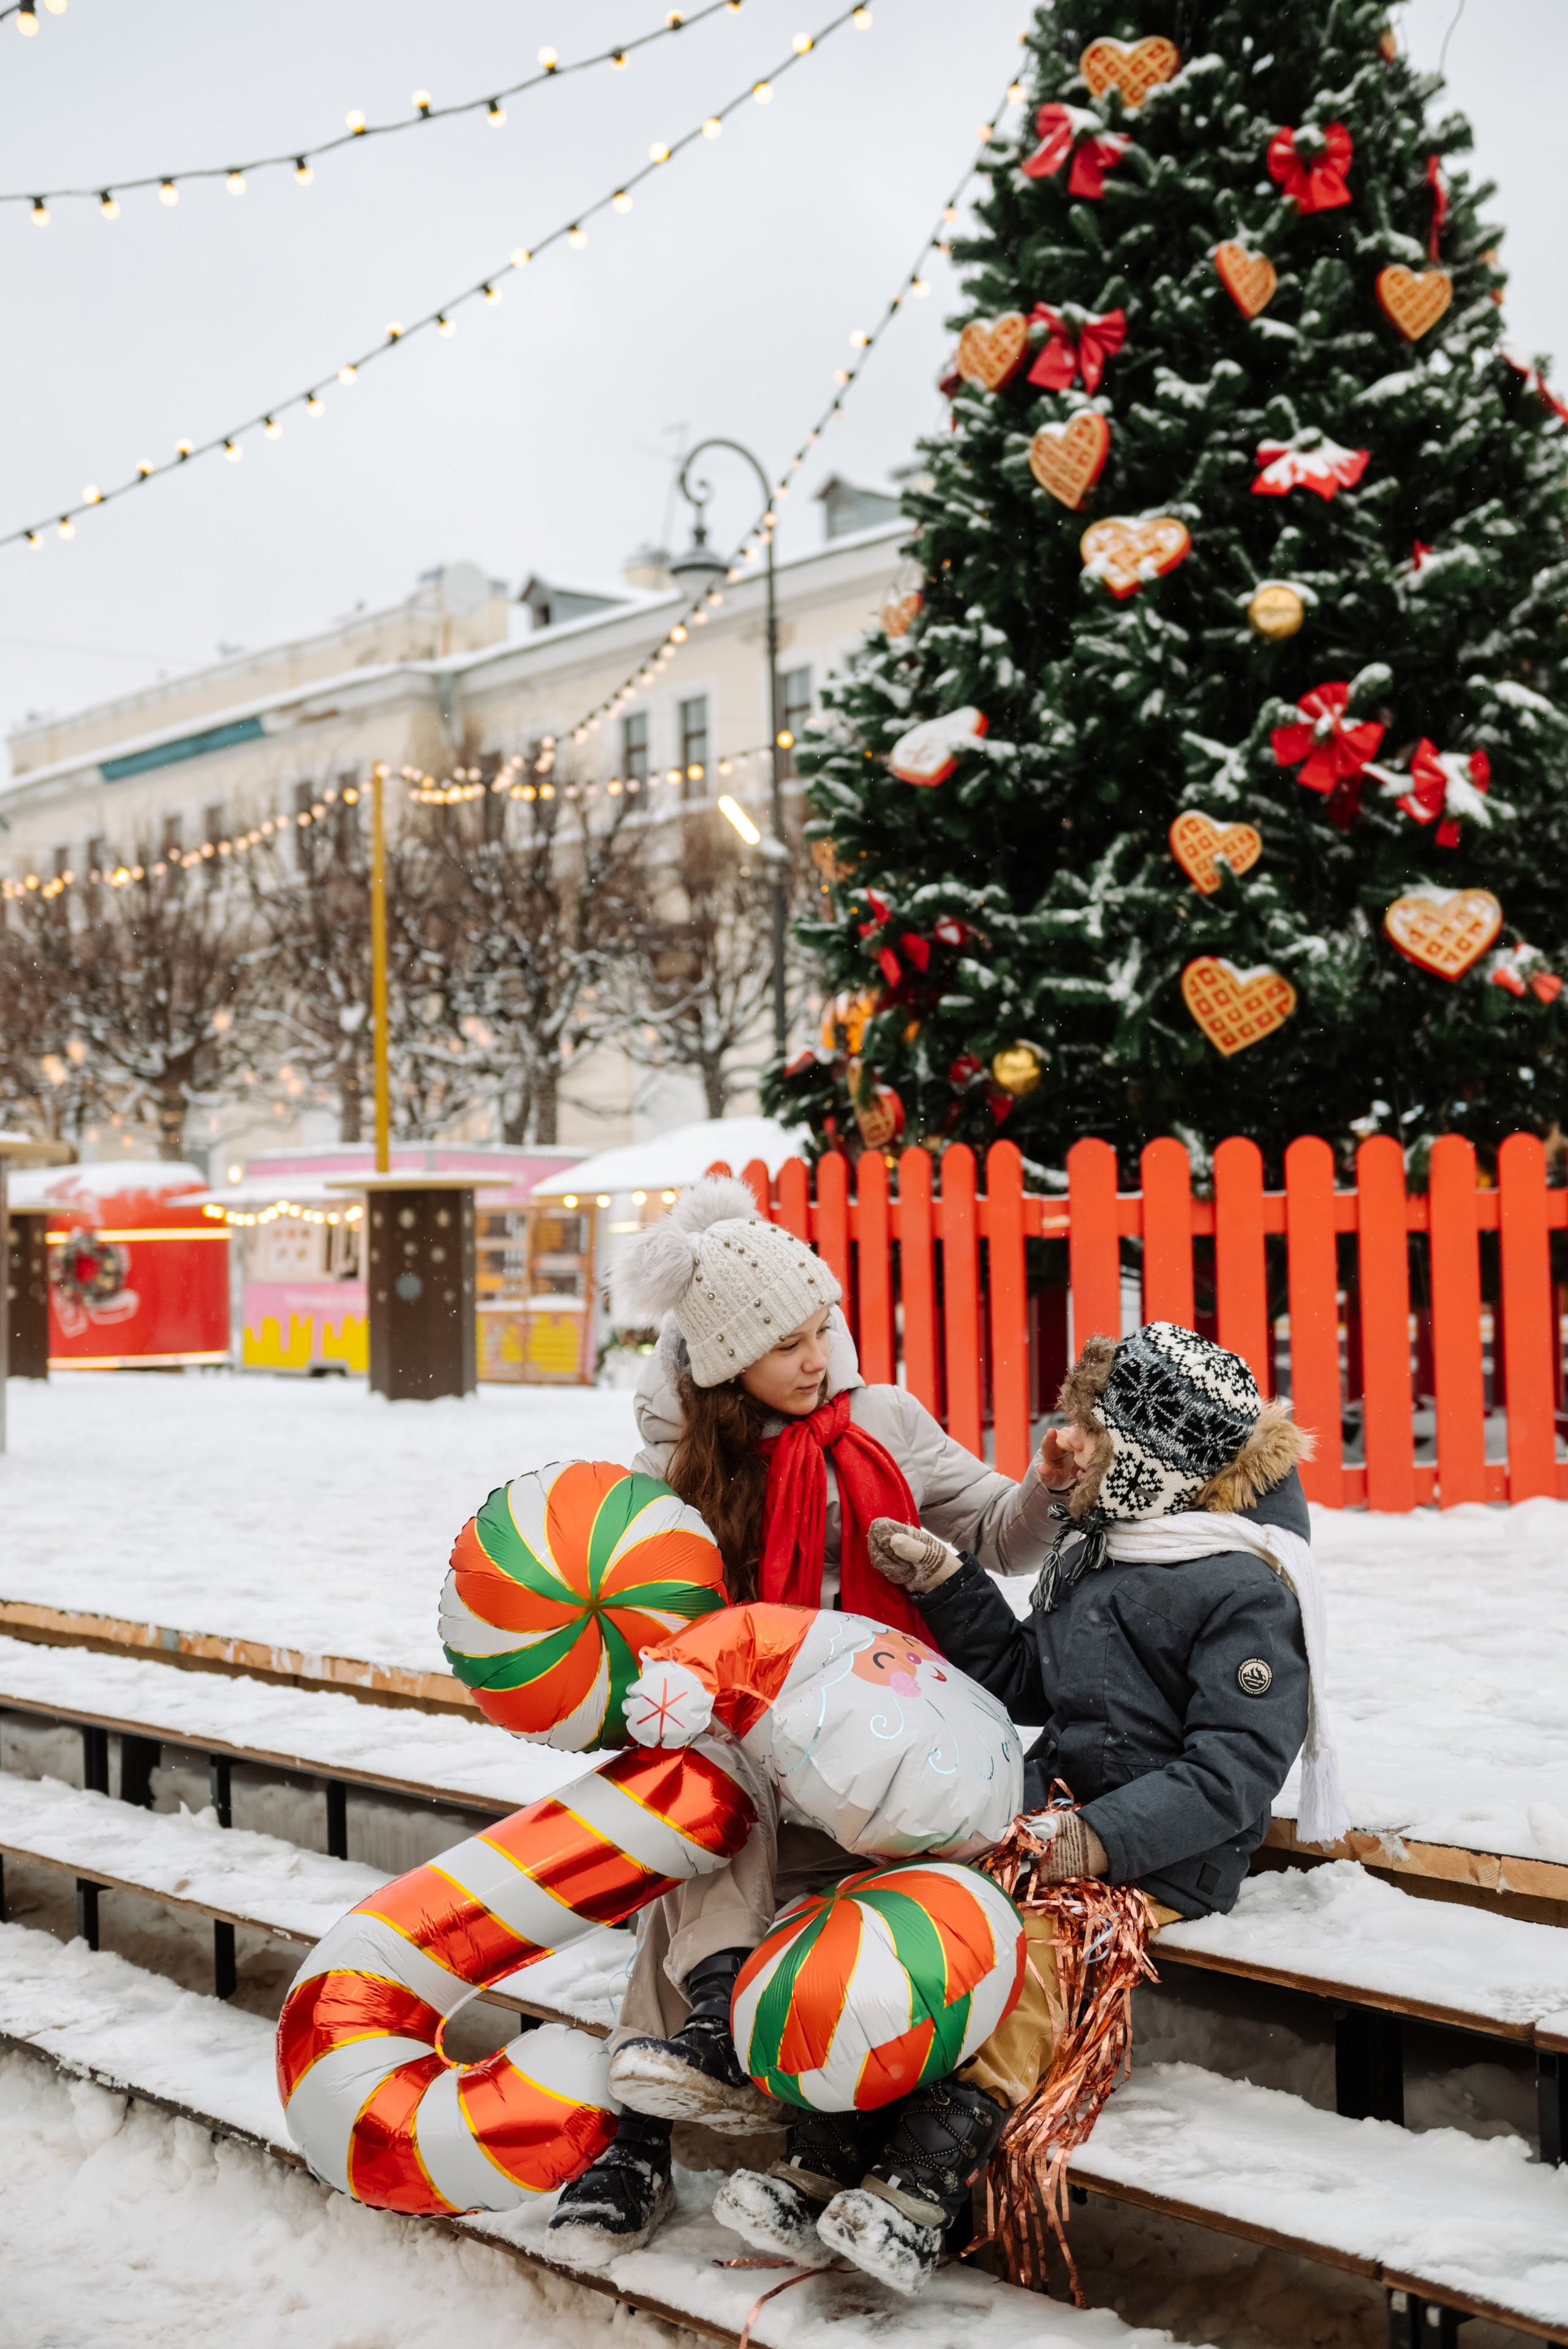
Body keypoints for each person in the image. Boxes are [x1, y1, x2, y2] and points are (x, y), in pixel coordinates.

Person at [715, 1319, 1345, 2296]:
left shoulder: (1238, 1584)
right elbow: (1027, 1685)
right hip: (1046, 1820)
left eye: (1092, 1429)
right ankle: (823, 2158)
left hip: (1160, 1855)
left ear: (1151, 1451)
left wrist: (1097, 1843)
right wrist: (951, 1584)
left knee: (1030, 1952)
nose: (1069, 1445)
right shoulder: (1103, 1547)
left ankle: (922, 2185)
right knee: (916, 1917)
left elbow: (1233, 1773)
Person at [546, 1174, 1064, 2261]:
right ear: (730, 1362)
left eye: (820, 1326)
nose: (815, 1357)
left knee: (710, 1795)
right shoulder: (683, 1464)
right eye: (784, 1344)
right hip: (759, 1742)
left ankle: (693, 2053)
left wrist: (1044, 1488)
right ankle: (659, 2106)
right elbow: (644, 1612)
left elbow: (1004, 1537)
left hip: (886, 1729)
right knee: (695, 1788)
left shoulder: (884, 1425)